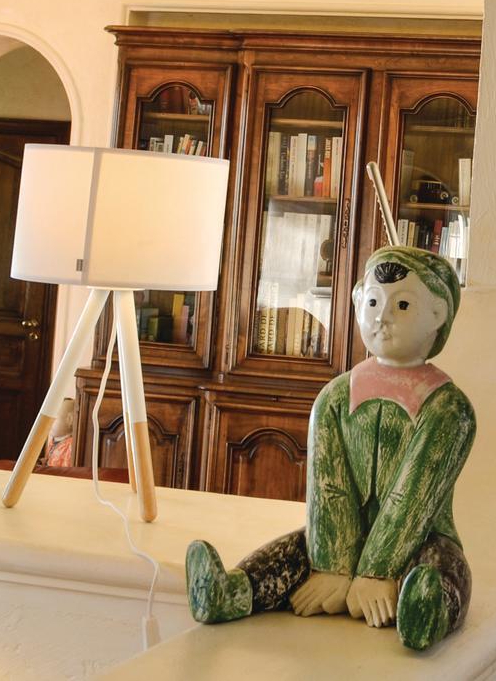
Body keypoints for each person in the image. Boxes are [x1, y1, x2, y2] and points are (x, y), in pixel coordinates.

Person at [185, 247, 475, 651]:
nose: (382, 316)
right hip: (337, 540)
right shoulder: (335, 397)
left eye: (403, 305)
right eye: (372, 302)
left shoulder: (448, 408)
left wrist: (376, 573)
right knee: (292, 552)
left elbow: (412, 499)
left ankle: (423, 611)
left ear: (438, 314)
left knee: (443, 569)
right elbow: (327, 487)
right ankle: (230, 591)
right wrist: (333, 567)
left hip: (418, 540)